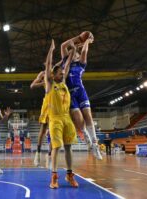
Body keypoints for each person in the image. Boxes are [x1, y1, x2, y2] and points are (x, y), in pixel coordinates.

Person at [60, 31, 102, 160]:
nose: (76, 55)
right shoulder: (65, 62)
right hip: (70, 95)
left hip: (81, 92)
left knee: (88, 116)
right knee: (79, 120)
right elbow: (63, 46)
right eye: (75, 53)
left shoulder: (81, 64)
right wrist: (78, 38)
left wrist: (87, 41)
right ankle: (88, 141)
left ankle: (95, 143)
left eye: (77, 54)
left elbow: (84, 52)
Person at [45, 39, 78, 189]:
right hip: (55, 119)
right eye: (60, 73)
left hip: (67, 118)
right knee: (56, 148)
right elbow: (47, 68)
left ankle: (69, 174)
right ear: (54, 75)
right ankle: (54, 177)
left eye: (63, 72)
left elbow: (68, 62)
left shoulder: (64, 84)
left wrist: (74, 50)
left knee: (69, 147)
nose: (63, 74)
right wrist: (51, 51)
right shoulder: (50, 85)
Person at [30, 71, 50, 166]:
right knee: (43, 130)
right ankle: (38, 153)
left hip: (59, 101)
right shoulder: (43, 74)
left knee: (54, 132)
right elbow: (32, 86)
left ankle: (49, 155)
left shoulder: (59, 72)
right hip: (48, 102)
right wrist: (44, 82)